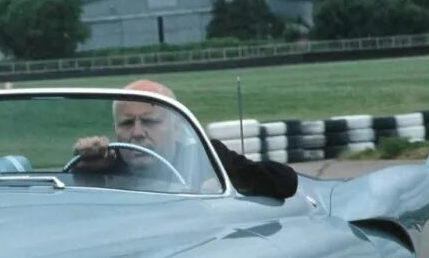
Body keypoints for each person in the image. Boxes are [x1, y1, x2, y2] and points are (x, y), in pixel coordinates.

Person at [73, 79, 298, 199]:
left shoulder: (204, 156)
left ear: (177, 127)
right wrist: (83, 167)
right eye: (127, 123)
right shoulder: (103, 164)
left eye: (150, 122)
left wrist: (226, 181)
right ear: (116, 129)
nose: (138, 132)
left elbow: (285, 180)